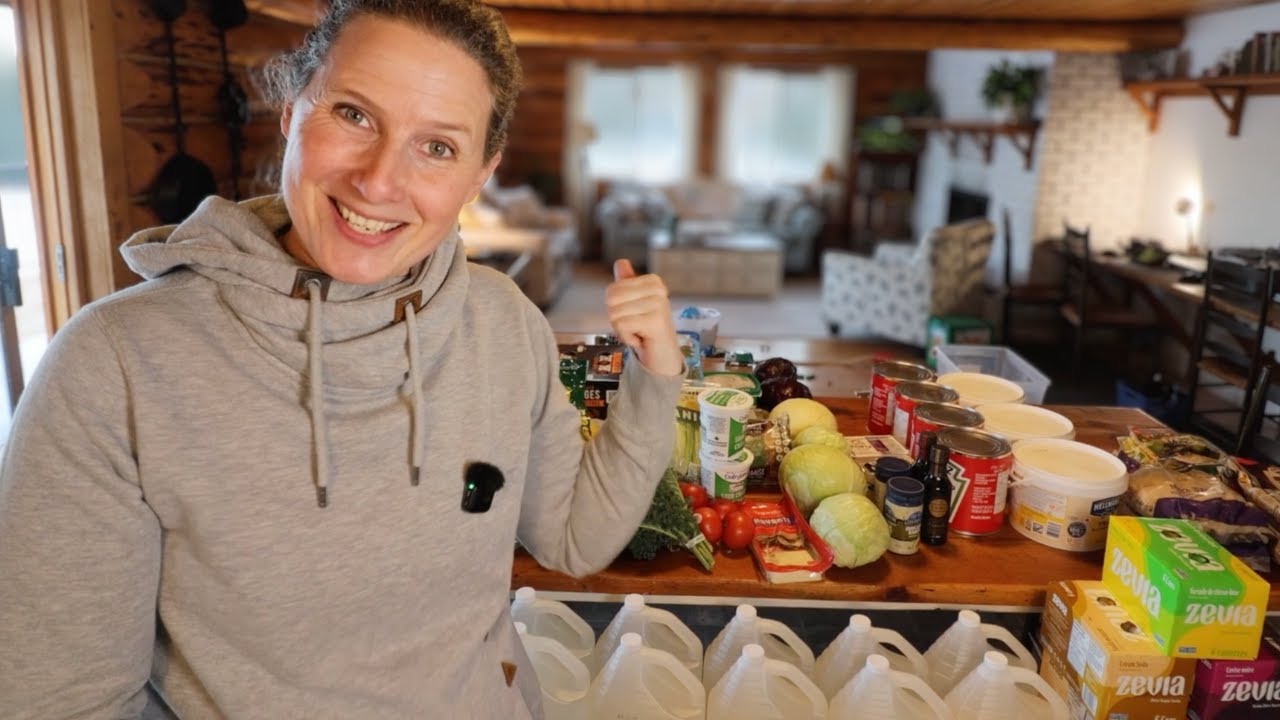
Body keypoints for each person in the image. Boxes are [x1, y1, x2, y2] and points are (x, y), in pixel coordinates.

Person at [0, 1, 684, 717]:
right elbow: (62, 699)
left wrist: (657, 377)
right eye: (355, 115)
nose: (379, 181)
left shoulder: (503, 322)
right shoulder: (114, 367)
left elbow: (575, 537)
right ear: (293, 111)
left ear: (482, 172)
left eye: (438, 147)